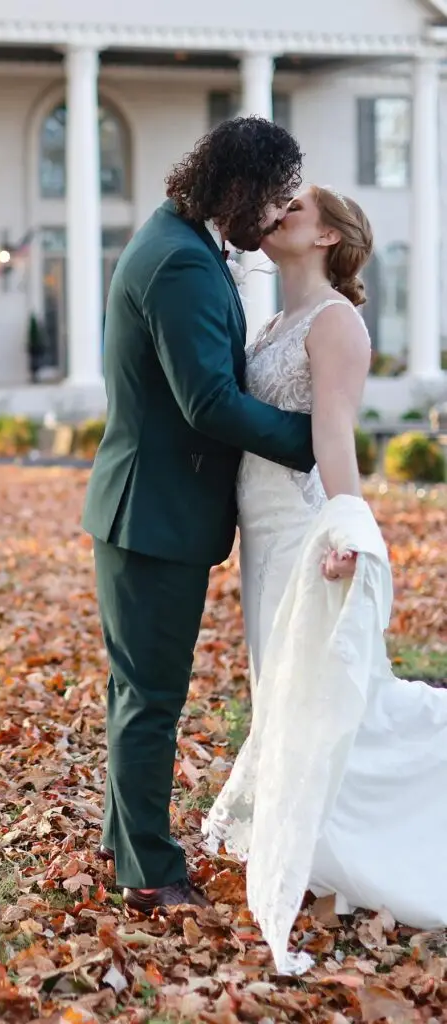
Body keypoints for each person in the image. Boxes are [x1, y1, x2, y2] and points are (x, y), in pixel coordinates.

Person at [203, 184, 447, 975]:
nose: (276, 215)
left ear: (328, 237)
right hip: (262, 535)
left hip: (308, 534)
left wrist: (345, 528)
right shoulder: (274, 322)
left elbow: (333, 434)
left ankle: (368, 843)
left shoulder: (337, 323)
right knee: (280, 687)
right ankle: (316, 840)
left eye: (295, 210)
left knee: (327, 691)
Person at [81, 117, 316, 913]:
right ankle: (148, 873)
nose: (275, 215)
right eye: (274, 197)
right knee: (151, 697)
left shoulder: (180, 241)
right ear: (241, 188)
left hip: (149, 508)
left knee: (135, 691)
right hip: (152, 512)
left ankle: (125, 841)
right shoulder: (179, 261)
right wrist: (309, 440)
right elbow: (207, 401)